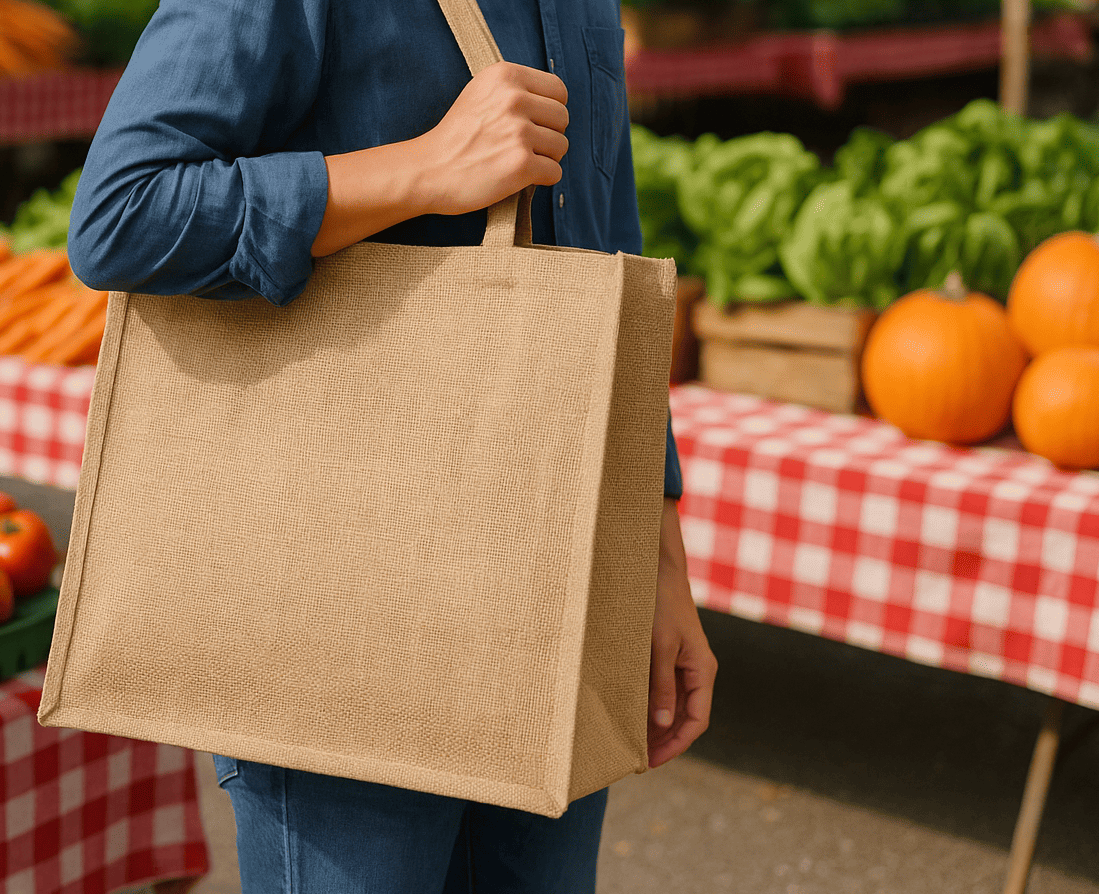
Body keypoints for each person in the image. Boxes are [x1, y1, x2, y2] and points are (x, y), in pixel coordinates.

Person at [66, 1, 717, 890]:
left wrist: (658, 557)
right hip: (344, 591)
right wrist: (422, 171)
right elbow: (122, 215)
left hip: (548, 582)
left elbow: (606, 252)